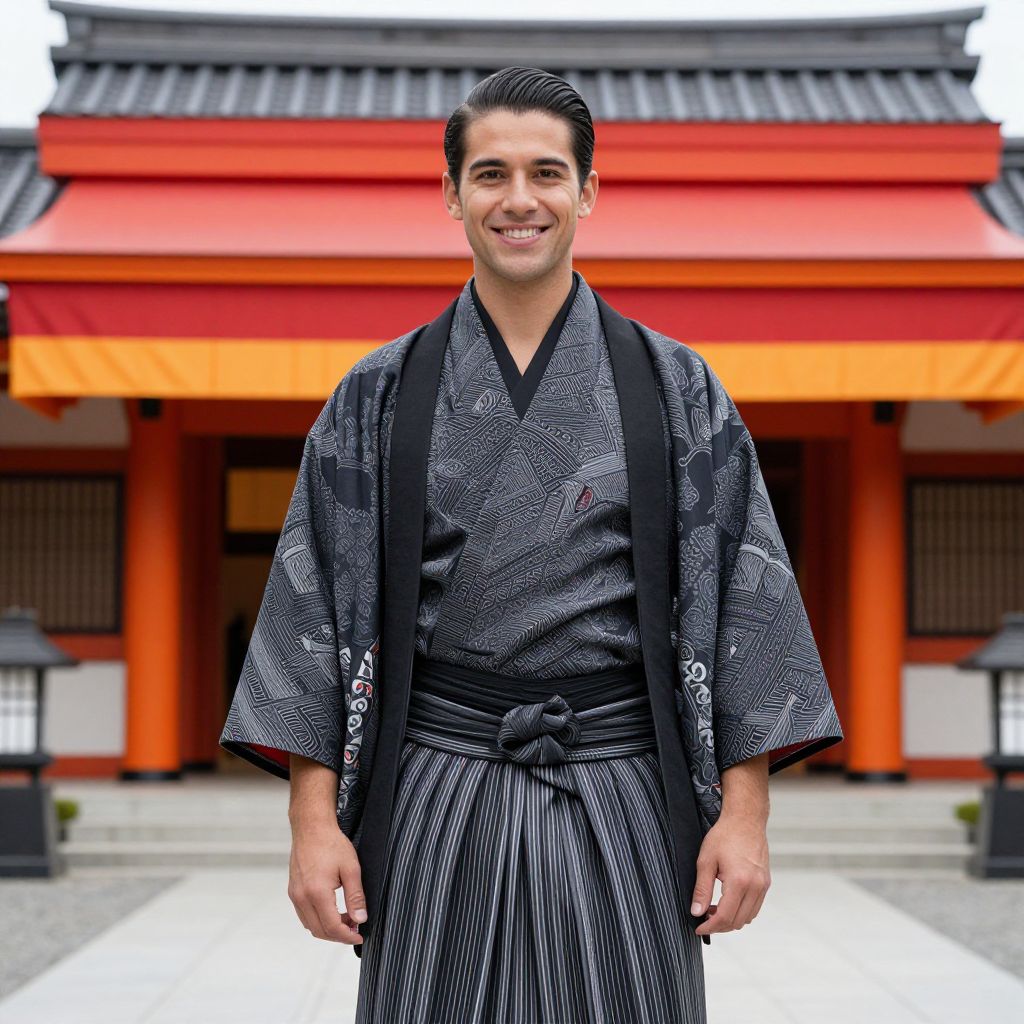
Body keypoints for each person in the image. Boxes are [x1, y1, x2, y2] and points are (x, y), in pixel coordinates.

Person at [220, 66, 843, 1024]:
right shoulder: (376, 396)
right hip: (435, 780)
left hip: (626, 785)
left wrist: (744, 815)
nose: (520, 200)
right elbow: (318, 616)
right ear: (452, 194)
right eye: (491, 174)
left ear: (589, 192)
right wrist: (313, 824)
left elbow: (743, 609)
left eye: (548, 174)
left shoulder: (677, 387)